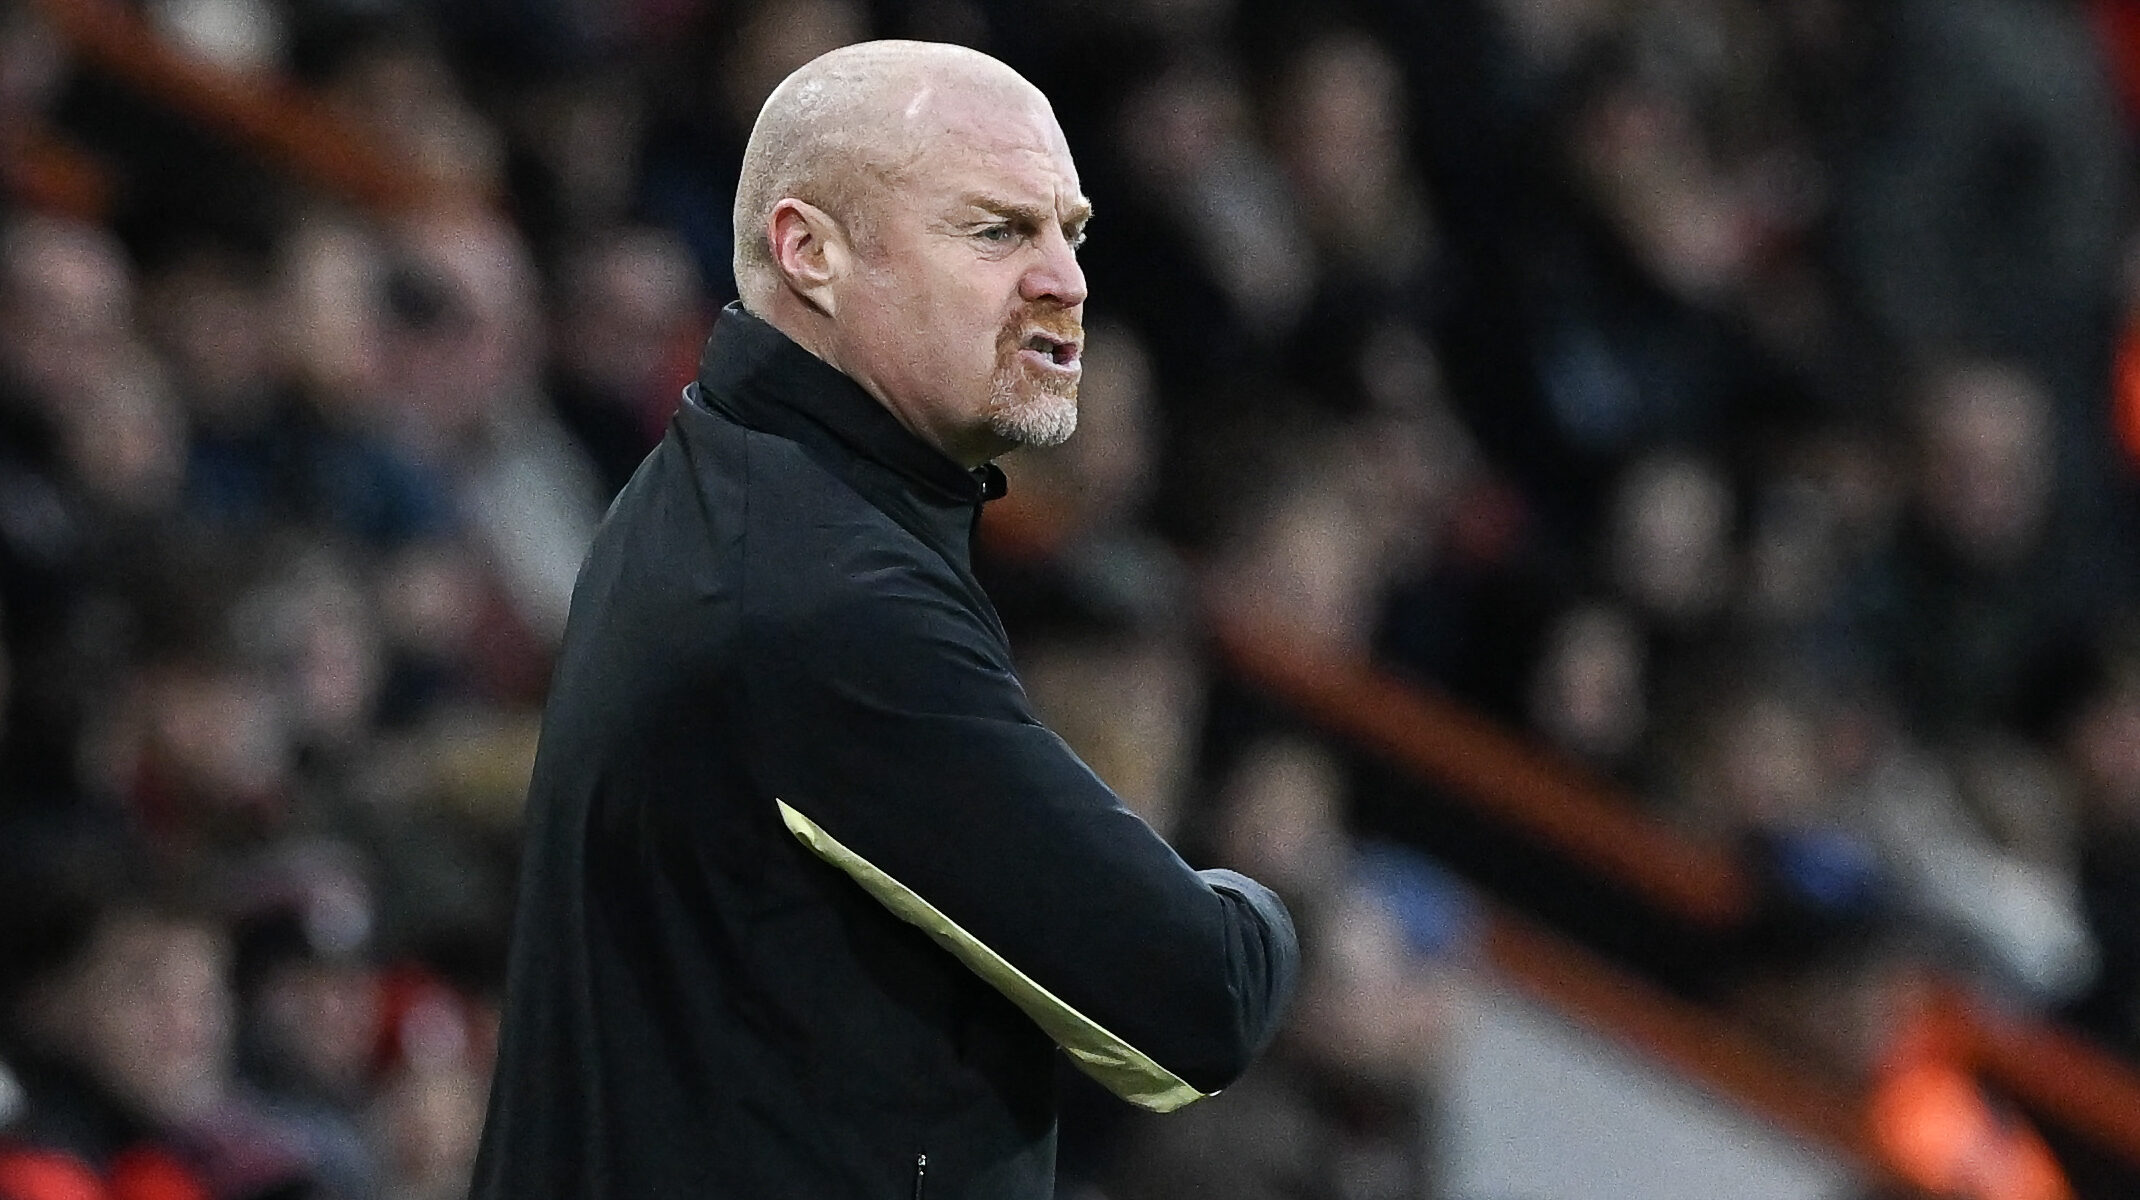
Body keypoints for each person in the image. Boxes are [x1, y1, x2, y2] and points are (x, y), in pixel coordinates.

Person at [468, 40, 1301, 1200]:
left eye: (1071, 230)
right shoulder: (827, 598)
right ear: (809, 251)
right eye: (996, 231)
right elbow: (1198, 999)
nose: (1064, 280)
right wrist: (1261, 897)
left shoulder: (725, 486)